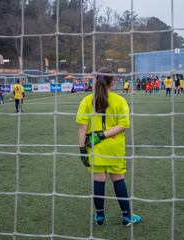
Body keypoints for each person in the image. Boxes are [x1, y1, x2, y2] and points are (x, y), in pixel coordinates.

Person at [76, 67, 142, 227]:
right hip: (115, 148)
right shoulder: (120, 100)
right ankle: (127, 217)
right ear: (112, 82)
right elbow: (124, 124)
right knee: (118, 178)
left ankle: (100, 217)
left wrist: (82, 149)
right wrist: (103, 135)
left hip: (94, 149)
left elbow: (82, 128)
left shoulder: (87, 100)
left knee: (98, 179)